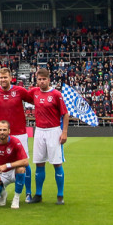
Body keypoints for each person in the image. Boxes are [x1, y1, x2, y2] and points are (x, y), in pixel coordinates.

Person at [0, 67, 34, 201]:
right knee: (2, 160)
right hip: (3, 133)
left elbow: (34, 99)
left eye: (5, 77)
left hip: (19, 132)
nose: (3, 80)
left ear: (10, 78)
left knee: (24, 163)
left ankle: (28, 193)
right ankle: (0, 192)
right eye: (1, 78)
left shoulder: (19, 91)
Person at [28, 68, 69, 205]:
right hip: (39, 131)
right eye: (39, 79)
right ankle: (38, 194)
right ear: (37, 80)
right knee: (39, 162)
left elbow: (65, 114)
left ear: (49, 80)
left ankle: (60, 195)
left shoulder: (56, 94)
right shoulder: (34, 92)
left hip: (54, 131)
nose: (41, 81)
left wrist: (64, 132)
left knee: (57, 163)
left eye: (44, 79)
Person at [0, 120, 29, 209]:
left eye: (4, 130)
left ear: (9, 131)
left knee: (21, 169)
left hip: (14, 171)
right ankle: (3, 193)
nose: (2, 132)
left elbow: (25, 161)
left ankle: (16, 198)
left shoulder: (15, 141)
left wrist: (7, 165)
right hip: (1, 173)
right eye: (0, 130)